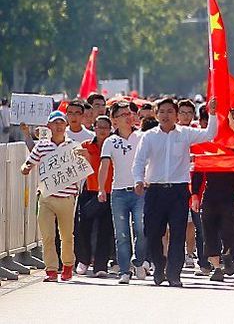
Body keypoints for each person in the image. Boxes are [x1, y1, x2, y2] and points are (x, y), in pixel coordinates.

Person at [131, 97, 219, 287]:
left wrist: (212, 113)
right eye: (162, 111)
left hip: (178, 192)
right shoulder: (149, 136)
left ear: (176, 114)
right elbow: (139, 161)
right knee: (153, 233)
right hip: (155, 191)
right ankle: (159, 266)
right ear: (156, 114)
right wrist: (138, 180)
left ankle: (173, 273)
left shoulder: (185, 133)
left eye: (170, 111)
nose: (166, 115)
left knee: (178, 234)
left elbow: (210, 134)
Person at [21, 111, 80, 282]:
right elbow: (29, 163)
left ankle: (68, 266)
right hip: (46, 197)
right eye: (55, 123)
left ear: (66, 126)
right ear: (49, 126)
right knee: (47, 236)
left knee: (67, 235)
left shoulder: (73, 146)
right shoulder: (42, 146)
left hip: (67, 197)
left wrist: (84, 156)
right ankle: (52, 270)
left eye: (62, 123)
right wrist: (25, 168)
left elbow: (81, 167)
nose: (59, 126)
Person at [98, 99, 148, 284]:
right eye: (123, 115)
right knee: (122, 233)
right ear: (114, 120)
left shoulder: (142, 137)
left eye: (129, 114)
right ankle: (124, 271)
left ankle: (140, 261)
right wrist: (102, 188)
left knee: (141, 229)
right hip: (119, 192)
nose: (128, 118)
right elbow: (104, 166)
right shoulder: (110, 142)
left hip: (140, 191)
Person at [75, 114, 114, 277]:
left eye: (106, 127)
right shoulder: (85, 146)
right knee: (83, 227)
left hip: (110, 190)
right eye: (100, 127)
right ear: (94, 128)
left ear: (111, 129)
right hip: (90, 190)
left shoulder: (114, 145)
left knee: (106, 229)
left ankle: (101, 265)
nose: (103, 130)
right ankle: (83, 260)